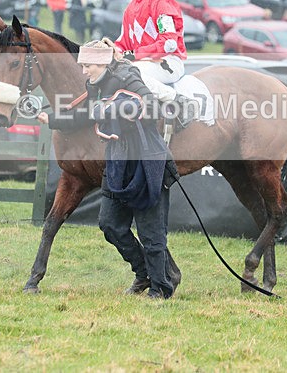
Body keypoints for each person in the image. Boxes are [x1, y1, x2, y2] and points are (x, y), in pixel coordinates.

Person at [36, 40, 179, 299]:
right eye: (82, 65)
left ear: (102, 63)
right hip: (117, 160)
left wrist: (114, 109)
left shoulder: (127, 75)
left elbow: (153, 107)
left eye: (87, 65)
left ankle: (161, 289)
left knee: (150, 231)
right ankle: (143, 272)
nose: (83, 71)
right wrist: (52, 119)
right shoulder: (95, 85)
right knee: (110, 224)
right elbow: (88, 115)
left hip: (145, 159)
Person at [113, 0, 196, 125]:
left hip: (168, 62)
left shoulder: (161, 1)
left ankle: (179, 100)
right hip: (143, 62)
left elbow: (169, 43)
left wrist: (134, 54)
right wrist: (111, 50)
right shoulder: (130, 8)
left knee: (129, 72)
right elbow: (123, 43)